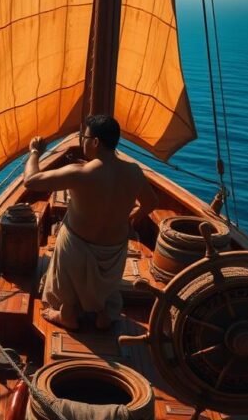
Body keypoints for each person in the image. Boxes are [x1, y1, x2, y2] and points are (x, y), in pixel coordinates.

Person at [23, 114, 157, 331]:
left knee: (66, 238)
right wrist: (132, 218)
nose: (80, 141)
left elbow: (30, 181)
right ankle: (103, 314)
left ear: (95, 142)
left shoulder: (80, 173)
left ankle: (67, 314)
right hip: (114, 250)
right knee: (106, 287)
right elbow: (151, 202)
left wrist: (34, 153)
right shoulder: (133, 171)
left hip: (77, 248)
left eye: (82, 136)